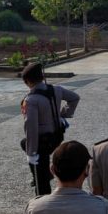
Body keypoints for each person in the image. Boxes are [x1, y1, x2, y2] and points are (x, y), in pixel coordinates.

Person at [21, 62, 80, 195]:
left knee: (41, 178)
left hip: (42, 143)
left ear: (27, 81)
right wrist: (63, 114)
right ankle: (44, 173)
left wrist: (31, 153)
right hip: (57, 136)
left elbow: (31, 127)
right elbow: (75, 98)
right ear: (42, 77)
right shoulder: (56, 90)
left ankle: (43, 198)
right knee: (23, 142)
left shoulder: (31, 100)